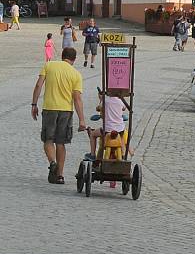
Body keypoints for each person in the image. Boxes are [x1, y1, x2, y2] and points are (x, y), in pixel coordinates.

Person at [31, 47, 86, 185]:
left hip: (49, 108)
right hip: (66, 111)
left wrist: (34, 104)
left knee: (48, 140)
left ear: (62, 56)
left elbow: (38, 85)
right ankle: (60, 175)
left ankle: (52, 163)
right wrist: (82, 120)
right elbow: (77, 98)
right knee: (61, 143)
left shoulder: (49, 65)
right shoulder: (76, 74)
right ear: (74, 59)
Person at [85, 90, 132, 163]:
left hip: (107, 130)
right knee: (122, 139)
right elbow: (124, 108)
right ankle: (123, 155)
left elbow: (98, 108)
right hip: (120, 129)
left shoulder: (106, 101)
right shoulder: (121, 101)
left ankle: (92, 154)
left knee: (93, 135)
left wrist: (101, 99)